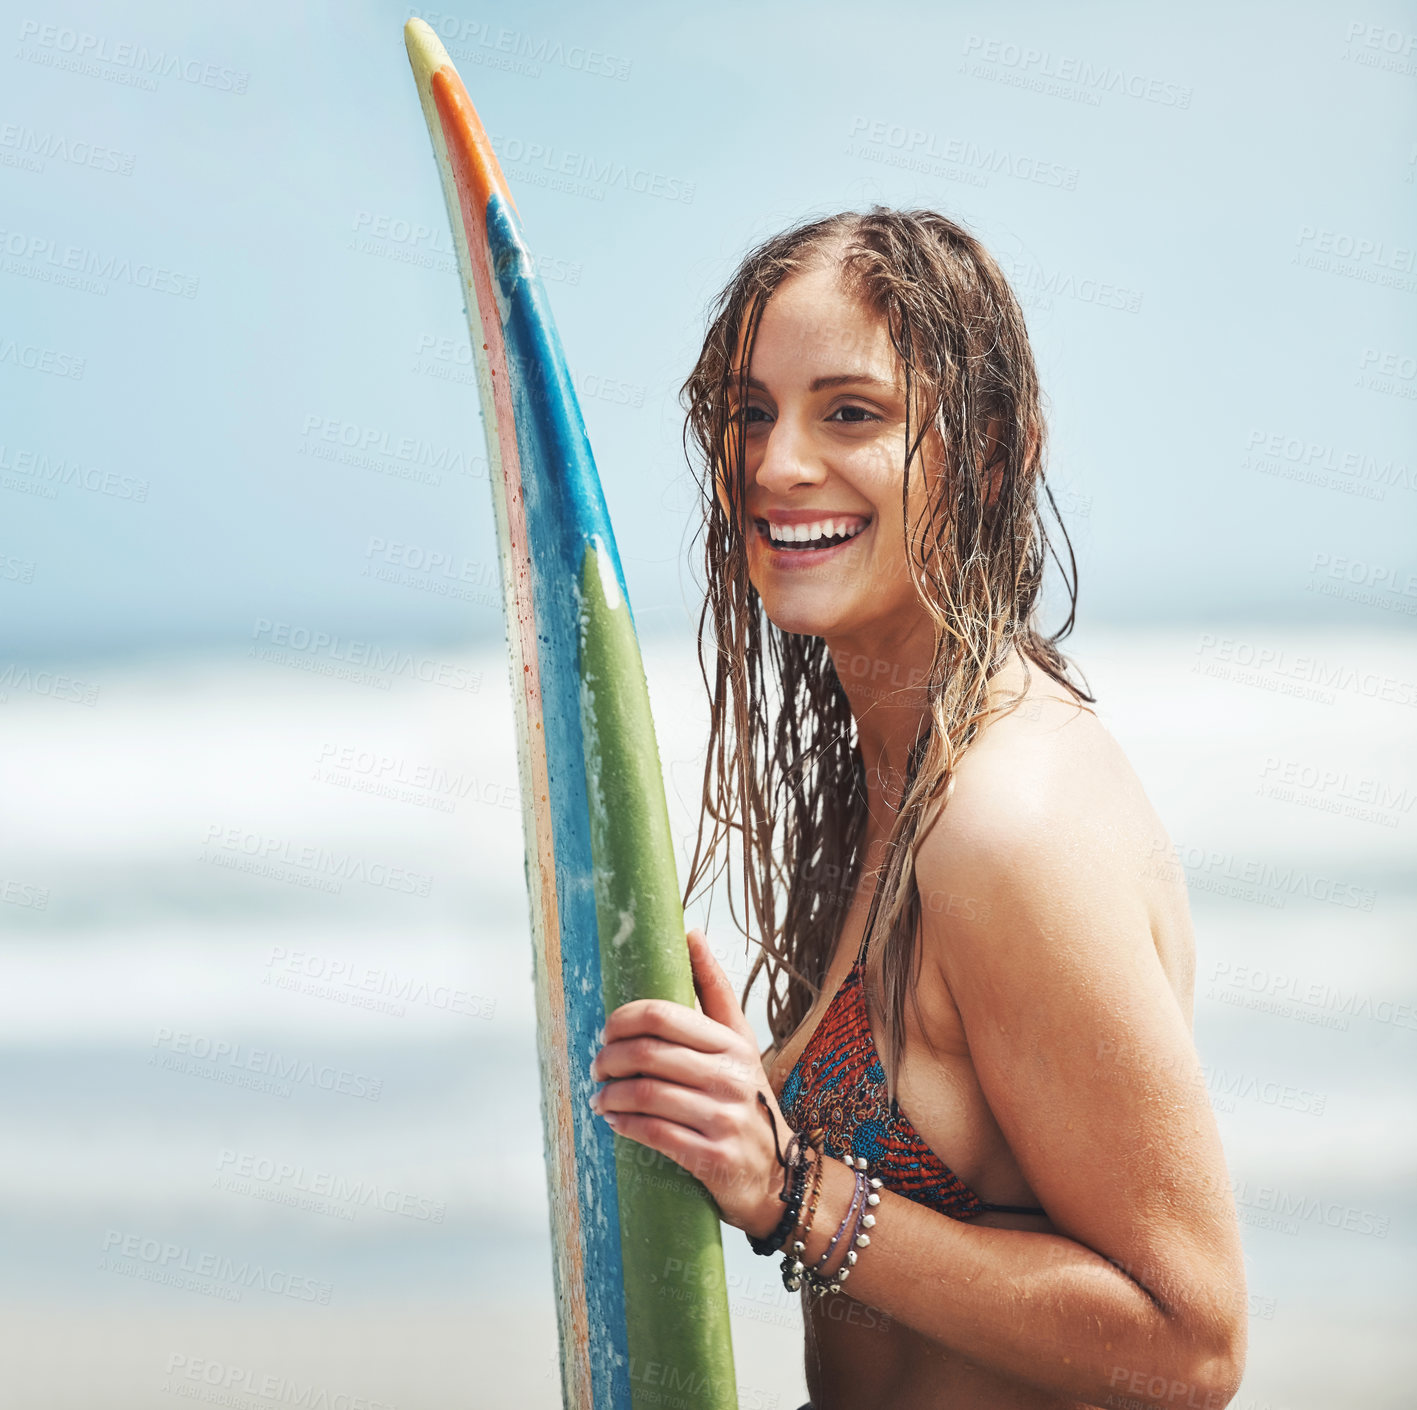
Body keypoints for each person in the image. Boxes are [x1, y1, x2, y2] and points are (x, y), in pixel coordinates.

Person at [587, 207, 1247, 1410]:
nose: (777, 463)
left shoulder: (1005, 824)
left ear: (989, 452)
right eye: (749, 413)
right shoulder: (898, 771)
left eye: (851, 413)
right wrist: (730, 1125)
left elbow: (1187, 1343)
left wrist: (792, 1191)